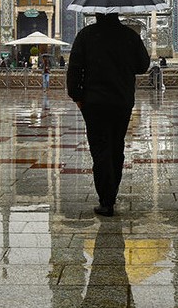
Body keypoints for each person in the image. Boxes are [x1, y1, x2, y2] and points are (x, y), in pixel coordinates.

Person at [67, 12, 150, 217]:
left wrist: (77, 96)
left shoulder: (86, 35)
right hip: (121, 102)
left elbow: (74, 69)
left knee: (100, 149)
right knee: (116, 146)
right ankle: (111, 194)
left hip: (94, 103)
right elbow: (143, 65)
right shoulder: (129, 35)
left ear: (96, 12)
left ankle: (106, 200)